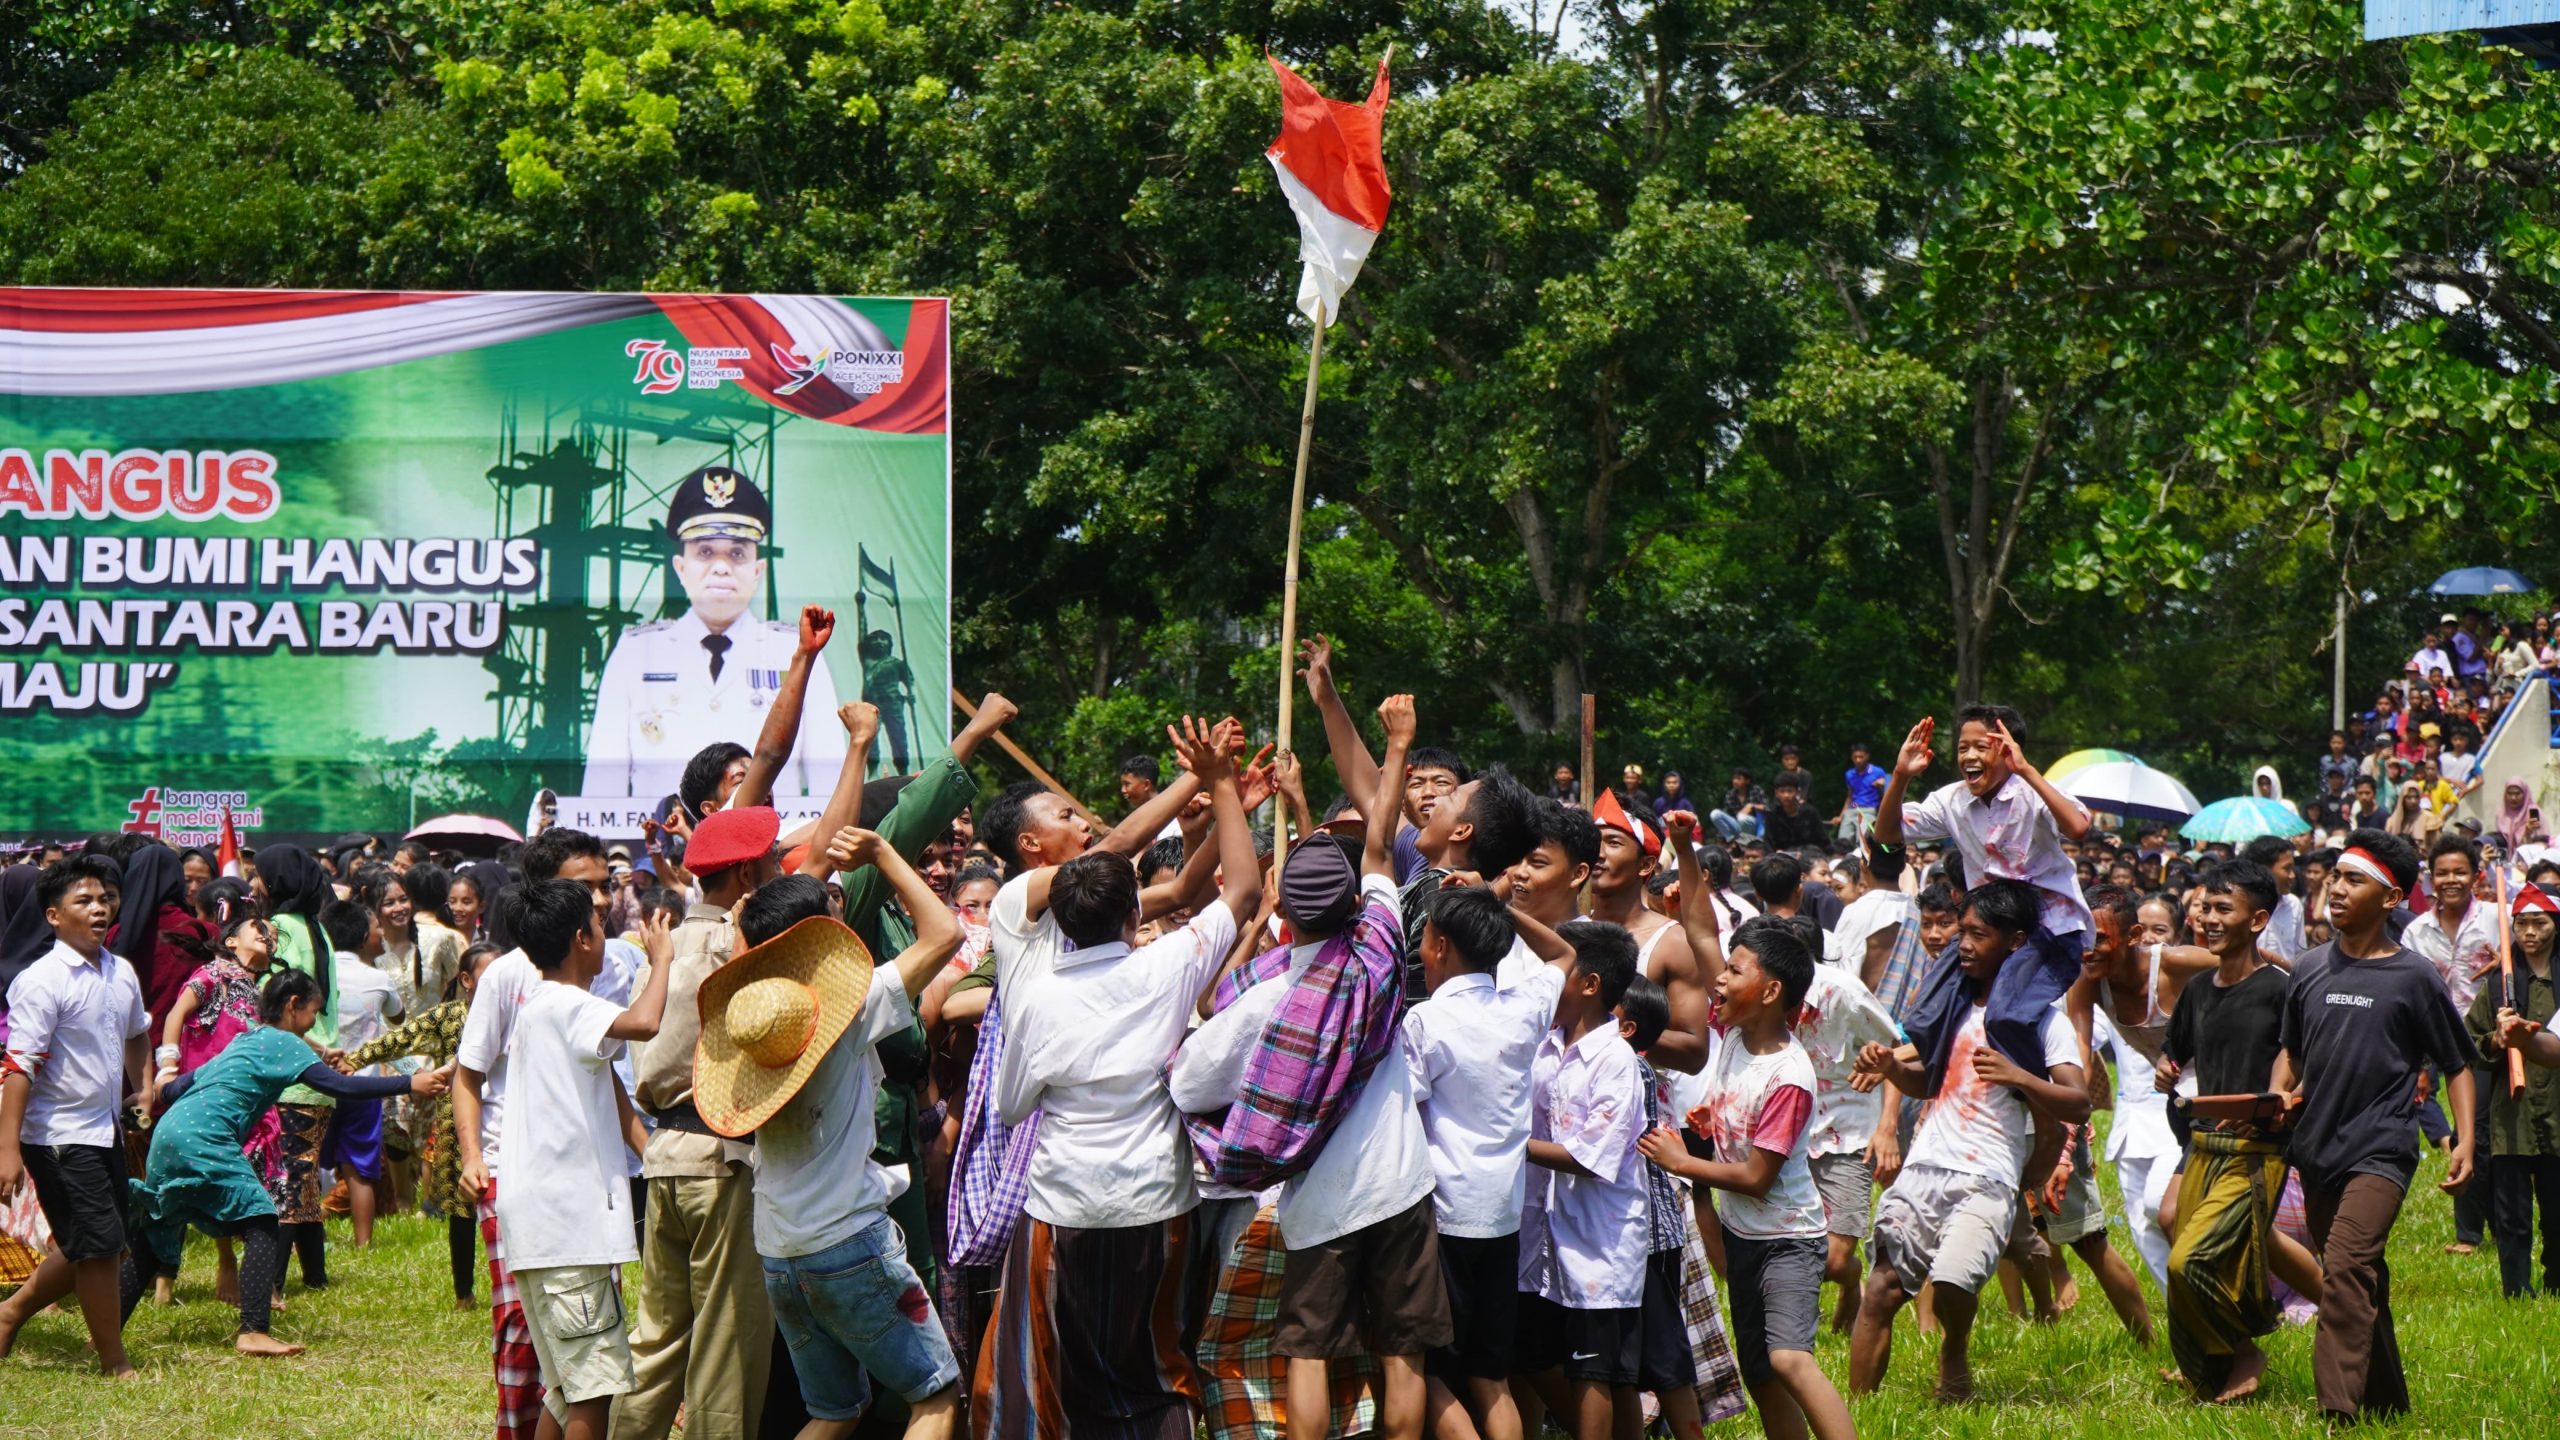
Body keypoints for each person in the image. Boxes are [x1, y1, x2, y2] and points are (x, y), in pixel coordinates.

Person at [984, 714, 1263, 1439]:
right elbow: (1227, 894)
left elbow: (1011, 1104)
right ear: (1028, 848)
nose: (1085, 819)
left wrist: (1216, 807)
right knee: (1152, 1366)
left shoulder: (1042, 996)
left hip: (1065, 1197)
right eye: (1064, 813)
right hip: (1154, 1196)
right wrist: (1213, 783)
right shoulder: (1019, 905)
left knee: (1071, 1364)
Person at [695, 824, 969, 1440]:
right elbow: (946, 933)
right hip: (847, 1239)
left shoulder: (754, 1028)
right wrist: (882, 852)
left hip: (779, 1248)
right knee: (935, 1395)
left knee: (834, 1412)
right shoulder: (847, 1008)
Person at [121, 968, 446, 1356]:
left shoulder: (246, 1040)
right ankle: (253, 1330)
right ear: (293, 1006)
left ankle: (104, 1332)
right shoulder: (285, 1041)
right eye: (314, 1012)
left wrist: (160, 1084)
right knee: (261, 1216)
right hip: (206, 1136)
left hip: (169, 1135)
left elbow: (176, 1089)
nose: (315, 1021)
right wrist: (410, 1082)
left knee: (153, 1236)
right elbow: (339, 1087)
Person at [1848, 880, 2089, 1405]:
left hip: (1989, 1177)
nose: (1963, 945)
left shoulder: (2043, 1023)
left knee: (1956, 1282)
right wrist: (1892, 1065)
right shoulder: (1952, 1009)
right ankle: (1855, 1416)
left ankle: (1953, 1349)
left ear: (2016, 941)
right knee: (1882, 1289)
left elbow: (2078, 1102)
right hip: (1926, 1166)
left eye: (1979, 935)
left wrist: (2018, 1077)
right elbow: (1927, 1084)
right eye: (1964, 932)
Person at [2274, 829, 2474, 1423]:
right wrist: (2277, 1095)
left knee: (2345, 1265)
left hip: (2382, 1149)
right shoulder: (2309, 970)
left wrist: (2464, 1139)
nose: (2336, 887)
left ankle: (2337, 1412)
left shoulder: (2413, 977)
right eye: (2335, 876)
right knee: (2362, 1278)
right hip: (2315, 1150)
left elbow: (2458, 1062)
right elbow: (2290, 1053)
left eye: (2353, 879)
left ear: (2390, 899)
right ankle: (2388, 1400)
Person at [1641, 917, 1857, 1440]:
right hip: (1744, 1238)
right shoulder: (1733, 1032)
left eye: (1734, 971)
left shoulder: (1789, 1076)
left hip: (1787, 1240)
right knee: (1760, 1375)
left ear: (1770, 990)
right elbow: (1698, 931)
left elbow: (1760, 1177)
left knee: (1789, 1361)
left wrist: (1683, 1162)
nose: (1719, 980)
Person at [617, 805, 785, 1440]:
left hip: (664, 1152)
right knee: (726, 1344)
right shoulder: (733, 946)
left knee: (655, 1339)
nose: (777, 869)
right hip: (720, 1156)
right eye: (769, 861)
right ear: (746, 873)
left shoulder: (662, 945)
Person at [495, 878, 674, 1440]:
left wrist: (652, 1153)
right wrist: (662, 958)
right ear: (581, 939)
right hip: (568, 1232)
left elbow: (608, 1096)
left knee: (565, 1390)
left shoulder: (540, 1009)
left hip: (541, 1231)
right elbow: (645, 1022)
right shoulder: (571, 1005)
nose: (605, 931)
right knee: (593, 1394)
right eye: (599, 923)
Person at [1398, 883, 1561, 1440]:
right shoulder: (1525, 1009)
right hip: (1502, 1215)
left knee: (1433, 1370)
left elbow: (1403, 1111)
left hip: (1441, 1216)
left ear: (1439, 944)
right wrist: (1503, 910)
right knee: (1492, 1375)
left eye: (1423, 936)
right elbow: (1564, 955)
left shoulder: (1425, 1023)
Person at [582, 469, 846, 799]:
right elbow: (602, 786)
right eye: (705, 552)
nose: (721, 567)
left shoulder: (797, 652)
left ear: (757, 570)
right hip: (659, 847)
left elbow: (831, 782)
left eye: (737, 553)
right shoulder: (636, 652)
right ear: (681, 568)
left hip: (777, 847)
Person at [1876, 706, 2093, 1104]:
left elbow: (2078, 827)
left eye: (1983, 746)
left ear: (2010, 750)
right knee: (1924, 1014)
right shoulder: (1953, 800)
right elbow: (1887, 836)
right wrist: (1901, 775)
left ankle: (2033, 1104)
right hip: (1986, 932)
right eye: (1963, 747)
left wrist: (2027, 770)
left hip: (2048, 934)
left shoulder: (2033, 792)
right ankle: (1944, 1091)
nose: (1970, 757)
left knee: (2005, 1016)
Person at [0, 856, 147, 1375]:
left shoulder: (120, 970)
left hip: (103, 1128)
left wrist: (144, 1090)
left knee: (94, 1242)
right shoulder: (42, 980)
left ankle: (10, 1313)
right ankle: (114, 1362)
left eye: (103, 899)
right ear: (54, 916)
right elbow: (18, 1067)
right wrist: (9, 1149)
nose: (99, 908)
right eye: (82, 901)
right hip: (57, 1133)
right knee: (102, 1246)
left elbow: (136, 1033)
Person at [2152, 861, 2290, 1403]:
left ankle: (2245, 1348)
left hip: (2257, 1148)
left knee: (2191, 1260)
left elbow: (2296, 1057)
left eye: (2221, 909)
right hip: (2202, 1142)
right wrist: (2166, 1066)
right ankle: (2204, 1369)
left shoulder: (2281, 989)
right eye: (2204, 908)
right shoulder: (2198, 989)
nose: (2207, 919)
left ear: (2256, 921)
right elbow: (2175, 1050)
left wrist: (2280, 1098)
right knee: (2179, 1240)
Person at [1514, 919, 1648, 1440]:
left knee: (1595, 1371)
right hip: (1543, 1236)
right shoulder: (1547, 1045)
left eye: (1559, 972)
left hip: (1599, 1245)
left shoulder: (1616, 1060)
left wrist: (1506, 1145)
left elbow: (1591, 1156)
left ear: (1589, 985)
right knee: (1533, 1353)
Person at [344, 942, 500, 1309]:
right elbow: (400, 1041)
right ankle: (465, 1294)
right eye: (489, 974)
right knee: (462, 1212)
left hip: (507, 1120)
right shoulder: (449, 1017)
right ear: (466, 980)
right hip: (457, 1124)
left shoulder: (518, 1015)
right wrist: (354, 1059)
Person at [2404, 834, 2502, 1254]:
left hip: (2493, 1039)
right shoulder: (2415, 932)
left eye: (2459, 871)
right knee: (2471, 1131)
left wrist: (2505, 959)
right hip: (2441, 1044)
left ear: (2475, 875)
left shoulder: (2499, 917)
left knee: (2487, 1133)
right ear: (2430, 878)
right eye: (2442, 872)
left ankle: (2492, 1226)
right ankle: (2471, 1232)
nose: (2451, 879)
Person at [2470, 883, 2560, 1297]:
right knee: (2512, 1217)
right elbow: (2467, 1044)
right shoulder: (2496, 988)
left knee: (2557, 1215)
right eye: (2521, 923)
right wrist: (2496, 1040)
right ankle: (2517, 1291)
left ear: (2555, 927)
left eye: (2539, 923)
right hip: (2512, 1118)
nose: (2529, 932)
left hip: (2557, 1115)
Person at [322, 898, 402, 1247]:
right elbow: (397, 1018)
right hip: (363, 1084)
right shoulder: (378, 978)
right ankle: (363, 1243)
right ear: (361, 939)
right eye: (374, 929)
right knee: (360, 1166)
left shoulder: (317, 972)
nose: (379, 933)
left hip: (316, 1080)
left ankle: (303, 1237)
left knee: (306, 1162)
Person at [860, 628, 918, 775]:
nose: (879, 641)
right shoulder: (868, 661)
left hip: (893, 703)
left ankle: (903, 771)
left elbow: (910, 682)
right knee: (870, 737)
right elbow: (862, 637)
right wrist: (861, 607)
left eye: (883, 638)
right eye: (875, 638)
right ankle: (873, 771)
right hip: (872, 704)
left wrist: (911, 694)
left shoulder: (897, 663)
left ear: (889, 644)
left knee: (898, 737)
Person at [1838, 744, 1889, 843]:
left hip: (1868, 809)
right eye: (1855, 757)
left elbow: (1885, 794)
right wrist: (1841, 815)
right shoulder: (1849, 774)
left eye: (1861, 757)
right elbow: (1849, 796)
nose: (1858, 760)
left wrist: (1882, 785)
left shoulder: (1877, 772)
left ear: (1867, 756)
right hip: (1852, 809)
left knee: (1863, 840)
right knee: (1842, 839)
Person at [1763, 779, 1827, 852]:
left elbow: (1822, 840)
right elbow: (1768, 842)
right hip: (1781, 856)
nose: (1786, 795)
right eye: (1782, 791)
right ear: (1776, 793)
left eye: (1790, 791)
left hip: (1807, 855)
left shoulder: (1810, 812)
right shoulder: (1772, 813)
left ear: (1797, 792)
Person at [1712, 769, 1768, 841]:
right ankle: (1730, 840)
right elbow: (1727, 815)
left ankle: (1747, 841)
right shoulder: (1730, 795)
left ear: (1747, 781)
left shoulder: (1756, 790)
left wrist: (1752, 806)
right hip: (1737, 826)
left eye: (1739, 778)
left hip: (1755, 825)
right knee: (1715, 814)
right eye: (1734, 778)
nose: (1735, 781)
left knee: (1742, 817)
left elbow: (1767, 807)